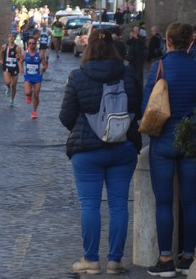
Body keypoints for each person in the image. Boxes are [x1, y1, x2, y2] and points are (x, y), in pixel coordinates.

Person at [59, 28, 142, 276]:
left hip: (87, 150)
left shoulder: (77, 76)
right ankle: (115, 260)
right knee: (118, 205)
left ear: (88, 47)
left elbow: (65, 116)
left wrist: (85, 124)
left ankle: (91, 260)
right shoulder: (128, 74)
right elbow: (137, 106)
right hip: (123, 147)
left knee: (90, 205)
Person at [144, 22, 196, 277]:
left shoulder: (159, 67)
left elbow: (147, 105)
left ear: (168, 41)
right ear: (190, 42)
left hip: (163, 141)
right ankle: (188, 257)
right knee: (191, 203)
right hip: (192, 142)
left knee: (163, 202)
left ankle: (165, 258)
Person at [19, 36, 48, 119]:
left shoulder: (40, 54)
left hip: (37, 77)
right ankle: (28, 95)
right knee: (27, 92)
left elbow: (45, 64)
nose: (31, 45)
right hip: (28, 76)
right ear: (27, 44)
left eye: (33, 43)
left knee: (36, 95)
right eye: (30, 43)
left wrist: (44, 68)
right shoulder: (25, 53)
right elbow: (20, 62)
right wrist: (21, 68)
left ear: (36, 44)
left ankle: (34, 112)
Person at [1, 30, 21, 107]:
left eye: (13, 36)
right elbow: (1, 53)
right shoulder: (4, 46)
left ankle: (12, 100)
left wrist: (18, 58)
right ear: (8, 38)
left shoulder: (18, 48)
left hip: (15, 68)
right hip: (6, 66)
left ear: (15, 38)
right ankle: (8, 88)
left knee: (14, 85)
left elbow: (20, 58)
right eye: (10, 36)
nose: (11, 38)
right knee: (8, 82)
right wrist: (2, 60)